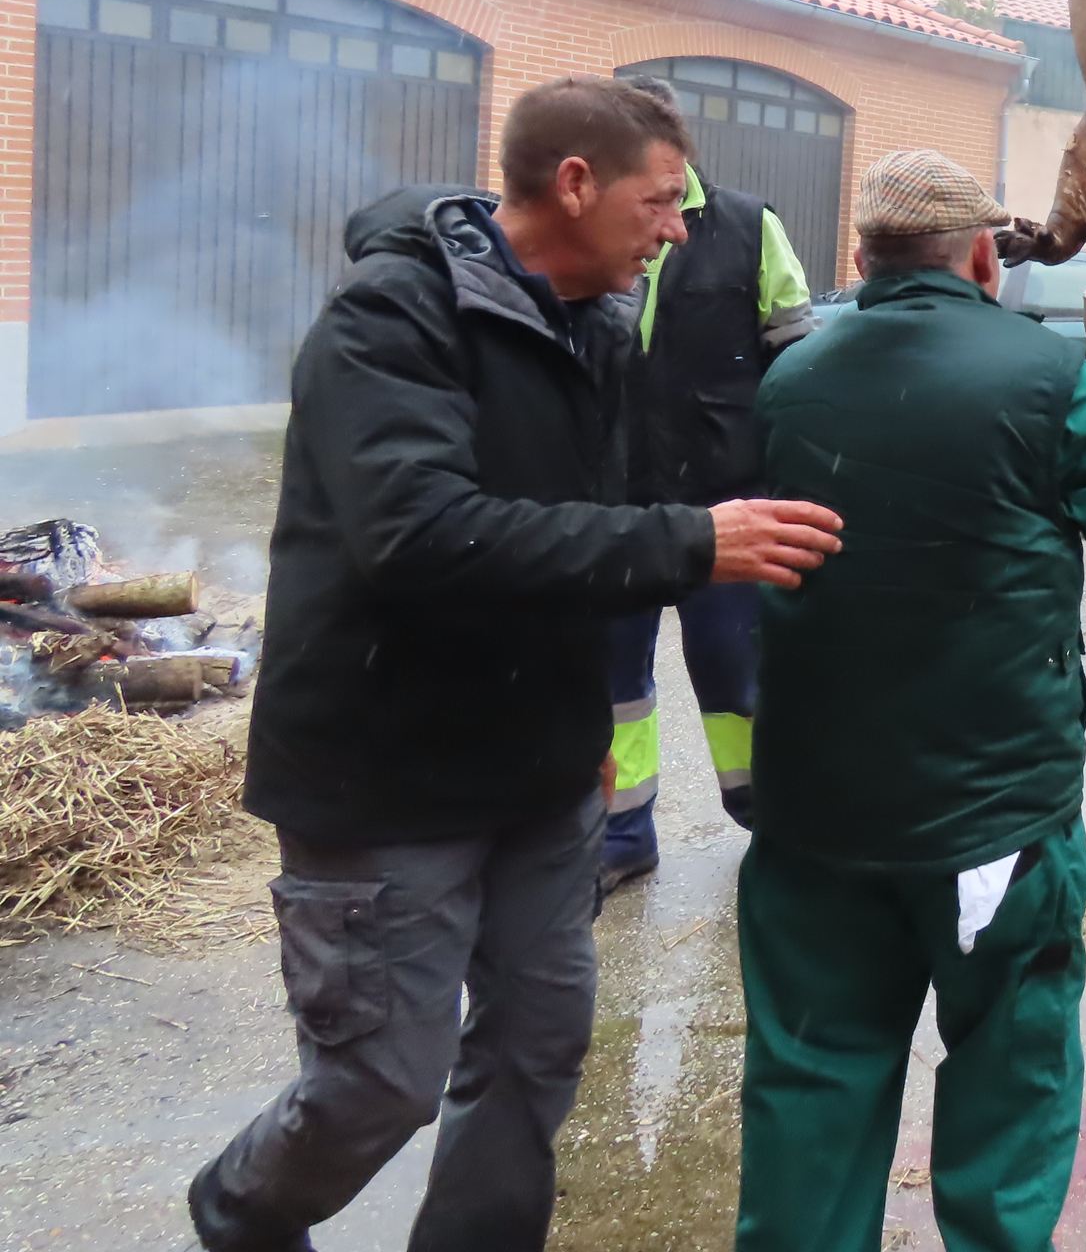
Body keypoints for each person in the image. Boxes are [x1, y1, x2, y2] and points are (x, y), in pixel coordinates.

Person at [190, 77, 843, 1252]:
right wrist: (694, 540)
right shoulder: (391, 320)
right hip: (386, 776)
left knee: (538, 1045)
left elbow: (569, 550)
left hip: (536, 775)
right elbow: (422, 535)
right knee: (382, 1081)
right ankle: (240, 1212)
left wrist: (587, 727)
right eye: (659, 202)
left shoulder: (591, 327)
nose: (679, 230)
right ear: (575, 184)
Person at [735, 148, 1086, 1251]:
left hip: (813, 818)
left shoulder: (789, 376)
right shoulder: (1040, 378)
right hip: (994, 830)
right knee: (1007, 1078)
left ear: (859, 259)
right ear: (986, 257)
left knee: (809, 1087)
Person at [598, 75, 819, 892]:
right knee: (612, 682)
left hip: (730, 505)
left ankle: (774, 821)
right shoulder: (589, 232)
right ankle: (622, 835)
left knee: (739, 676)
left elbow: (798, 360)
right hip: (611, 510)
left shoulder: (748, 225)